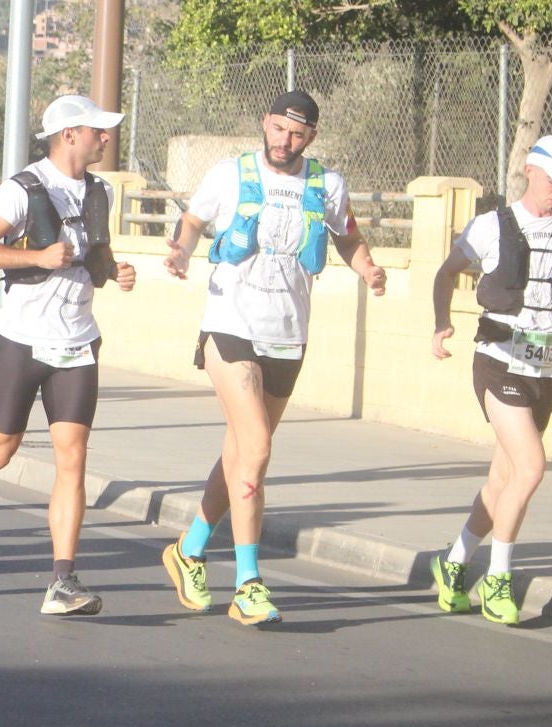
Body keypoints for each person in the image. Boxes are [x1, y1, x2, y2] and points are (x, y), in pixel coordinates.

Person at [159, 90, 386, 627]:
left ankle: (189, 550)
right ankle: (248, 584)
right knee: (257, 446)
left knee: (244, 452)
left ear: (312, 137)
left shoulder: (325, 184)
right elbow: (193, 220)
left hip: (288, 334)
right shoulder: (230, 174)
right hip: (229, 325)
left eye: (298, 133)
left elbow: (349, 237)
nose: (286, 141)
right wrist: (181, 250)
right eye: (280, 128)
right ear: (265, 124)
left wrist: (368, 268)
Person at [0, 95, 138, 614]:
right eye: (97, 131)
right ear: (68, 135)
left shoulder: (101, 191)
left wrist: (115, 271)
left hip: (77, 340)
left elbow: (96, 256)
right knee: (0, 449)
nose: (105, 138)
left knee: (73, 457)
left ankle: (63, 580)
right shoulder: (25, 187)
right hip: (20, 338)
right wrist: (35, 255)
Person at [428, 136, 552, 624]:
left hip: (547, 367)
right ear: (531, 172)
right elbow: (446, 272)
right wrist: (441, 323)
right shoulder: (491, 226)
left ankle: (453, 564)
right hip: (497, 359)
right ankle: (499, 578)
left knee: (505, 478)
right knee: (533, 467)